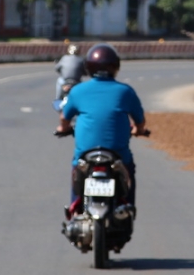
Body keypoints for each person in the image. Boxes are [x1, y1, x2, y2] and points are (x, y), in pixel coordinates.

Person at [55, 44, 146, 219]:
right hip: (117, 154)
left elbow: (64, 118)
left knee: (77, 170)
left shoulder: (78, 91)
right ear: (115, 67)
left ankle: (75, 209)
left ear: (88, 68)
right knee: (129, 169)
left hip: (85, 154)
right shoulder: (125, 91)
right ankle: (128, 207)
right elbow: (140, 121)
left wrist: (63, 129)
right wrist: (139, 130)